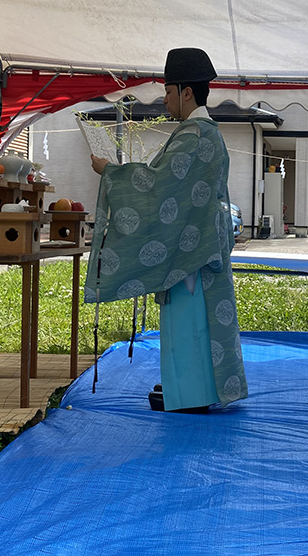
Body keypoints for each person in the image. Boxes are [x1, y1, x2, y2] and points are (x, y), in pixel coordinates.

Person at [86, 47, 247, 412]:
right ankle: (188, 388)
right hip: (197, 244)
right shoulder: (203, 133)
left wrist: (110, 172)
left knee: (189, 324)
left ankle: (190, 395)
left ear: (186, 92)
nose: (164, 99)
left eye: (169, 92)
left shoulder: (195, 135)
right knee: (192, 324)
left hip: (190, 252)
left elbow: (157, 185)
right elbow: (166, 184)